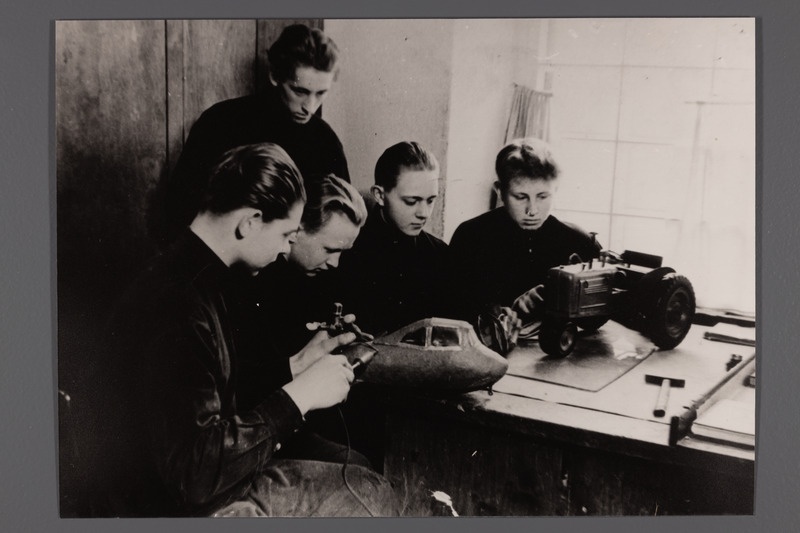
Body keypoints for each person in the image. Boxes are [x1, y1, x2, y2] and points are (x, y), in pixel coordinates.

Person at [97, 143, 397, 517]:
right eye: (287, 234)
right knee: (369, 491)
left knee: (358, 473)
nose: (286, 249)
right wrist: (300, 396)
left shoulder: (191, 279)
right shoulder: (178, 305)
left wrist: (296, 367)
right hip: (164, 506)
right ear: (250, 222)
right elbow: (195, 477)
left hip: (185, 483)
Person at [162, 23, 349, 241]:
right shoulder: (221, 121)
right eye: (300, 91)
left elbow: (339, 219)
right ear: (274, 76)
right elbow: (179, 208)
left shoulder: (325, 140)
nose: (311, 106)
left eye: (321, 93)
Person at [235, 173, 368, 412]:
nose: (335, 263)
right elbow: (244, 385)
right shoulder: (252, 278)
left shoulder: (320, 276)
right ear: (298, 228)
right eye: (329, 249)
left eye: (342, 252)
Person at [448, 137, 601, 331]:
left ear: (556, 190)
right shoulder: (470, 237)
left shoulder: (579, 241)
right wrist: (493, 313)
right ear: (499, 191)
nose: (532, 210)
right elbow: (451, 310)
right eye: (521, 197)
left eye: (543, 196)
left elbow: (598, 319)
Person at [338, 141, 449, 336]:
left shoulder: (439, 253)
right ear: (379, 195)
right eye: (411, 201)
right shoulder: (347, 252)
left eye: (431, 200)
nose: (424, 213)